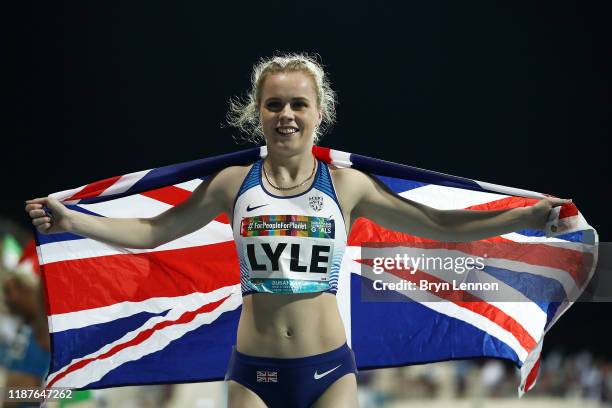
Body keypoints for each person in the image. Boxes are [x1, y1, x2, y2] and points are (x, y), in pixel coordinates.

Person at [25, 53, 570, 408]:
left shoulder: (347, 187)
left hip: (330, 370)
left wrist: (522, 216)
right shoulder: (230, 184)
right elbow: (152, 232)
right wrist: (72, 219)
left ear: (318, 114)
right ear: (257, 114)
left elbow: (438, 225)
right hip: (251, 373)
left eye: (298, 104)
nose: (286, 114)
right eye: (275, 104)